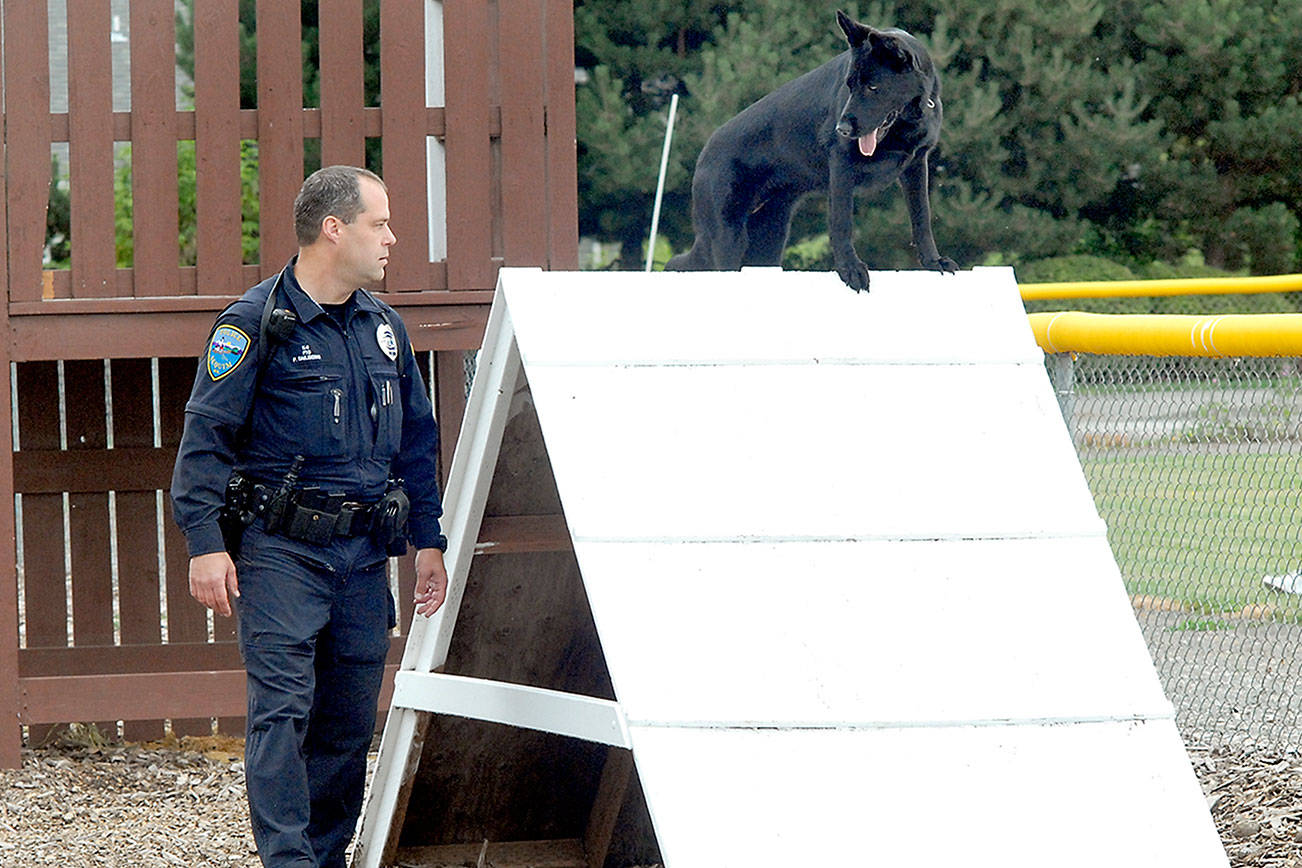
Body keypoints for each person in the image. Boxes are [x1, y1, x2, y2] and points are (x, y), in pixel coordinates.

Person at [170, 165, 449, 868]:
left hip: (363, 557)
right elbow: (205, 438)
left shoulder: (385, 328)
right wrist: (206, 544)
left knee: (348, 727)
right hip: (281, 553)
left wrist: (429, 542)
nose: (392, 238)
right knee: (283, 714)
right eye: (379, 223)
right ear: (334, 229)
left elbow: (418, 442)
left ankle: (325, 859)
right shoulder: (255, 323)